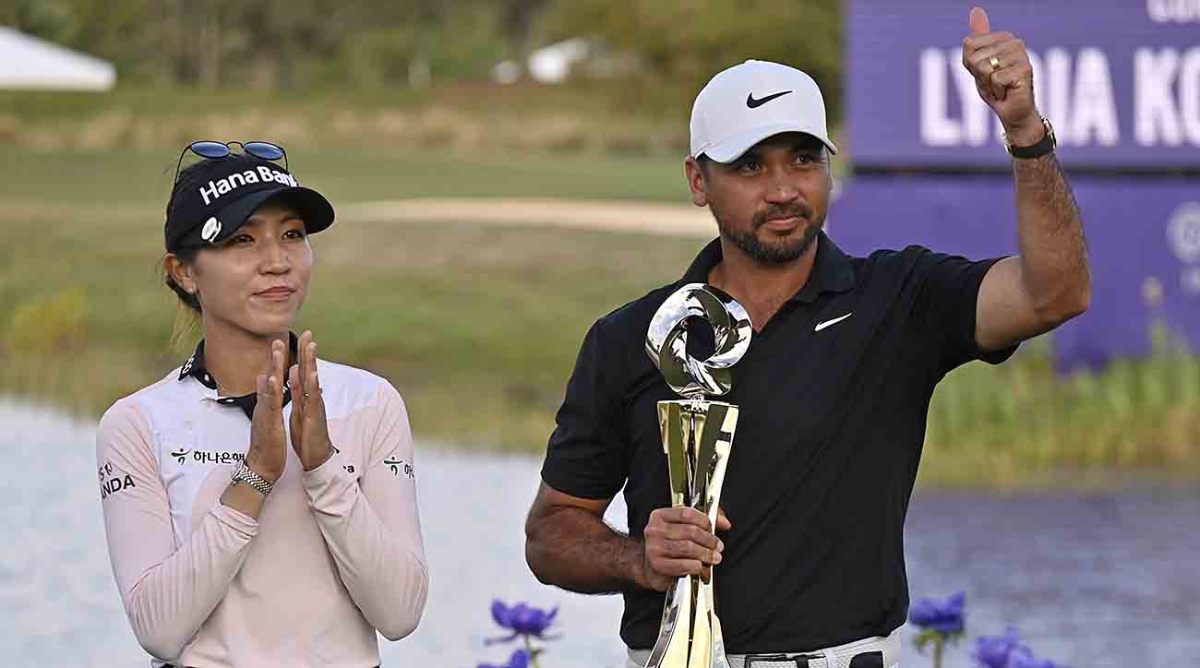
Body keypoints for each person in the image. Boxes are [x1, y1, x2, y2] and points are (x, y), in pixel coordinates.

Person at [525, 8, 1088, 668]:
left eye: (802, 159)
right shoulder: (630, 338)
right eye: (750, 167)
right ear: (698, 181)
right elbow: (550, 533)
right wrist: (637, 557)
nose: (783, 189)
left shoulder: (898, 299)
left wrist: (1024, 131)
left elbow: (1056, 293)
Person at [95, 141, 428, 667]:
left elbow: (400, 613)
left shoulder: (370, 403)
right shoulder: (138, 423)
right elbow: (158, 630)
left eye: (292, 235)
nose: (277, 262)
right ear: (184, 272)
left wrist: (321, 469)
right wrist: (255, 477)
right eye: (242, 240)